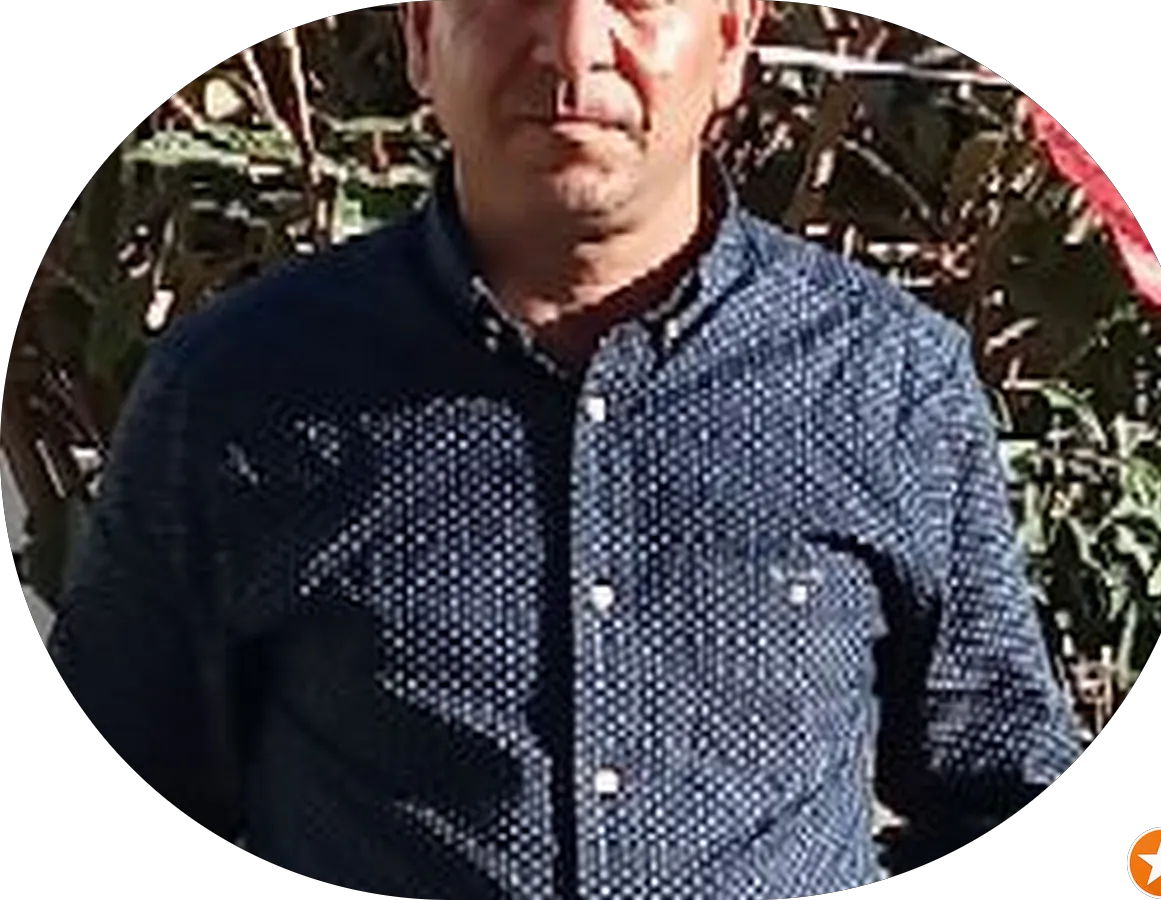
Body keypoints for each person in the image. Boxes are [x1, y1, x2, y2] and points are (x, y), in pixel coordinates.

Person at [46, 0, 1085, 897]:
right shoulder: (242, 390)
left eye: (636, 2)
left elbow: (1000, 780)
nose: (573, 50)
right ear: (423, 38)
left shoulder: (887, 383)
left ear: (731, 40)